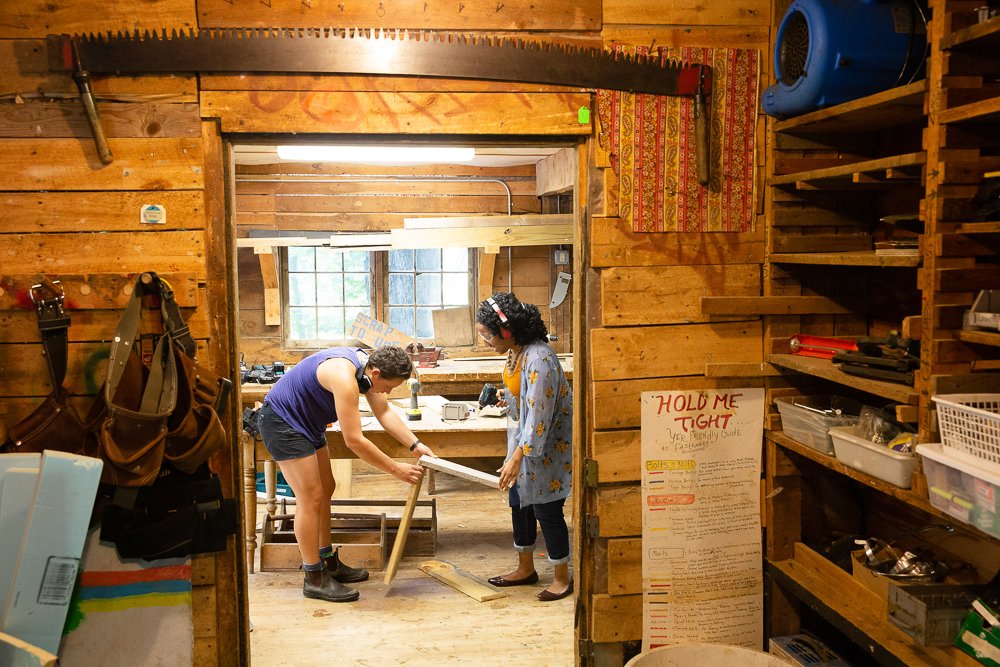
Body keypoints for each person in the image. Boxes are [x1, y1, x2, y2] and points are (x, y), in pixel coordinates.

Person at [257, 345, 435, 602]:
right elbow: (354, 440)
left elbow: (384, 412)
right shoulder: (345, 378)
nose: (388, 392)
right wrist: (396, 469)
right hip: (283, 423)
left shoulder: (365, 371)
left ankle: (327, 560)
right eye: (389, 386)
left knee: (325, 489)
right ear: (375, 373)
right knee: (311, 497)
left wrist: (416, 446)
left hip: (308, 424)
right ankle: (314, 577)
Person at [475, 292, 573, 601]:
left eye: (487, 335)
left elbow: (540, 416)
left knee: (547, 509)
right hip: (522, 441)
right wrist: (509, 398)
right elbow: (523, 395)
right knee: (519, 504)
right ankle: (525, 568)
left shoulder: (540, 357)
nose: (485, 342)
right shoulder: (514, 351)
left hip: (544, 447)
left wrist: (518, 456)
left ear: (506, 331)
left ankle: (561, 577)